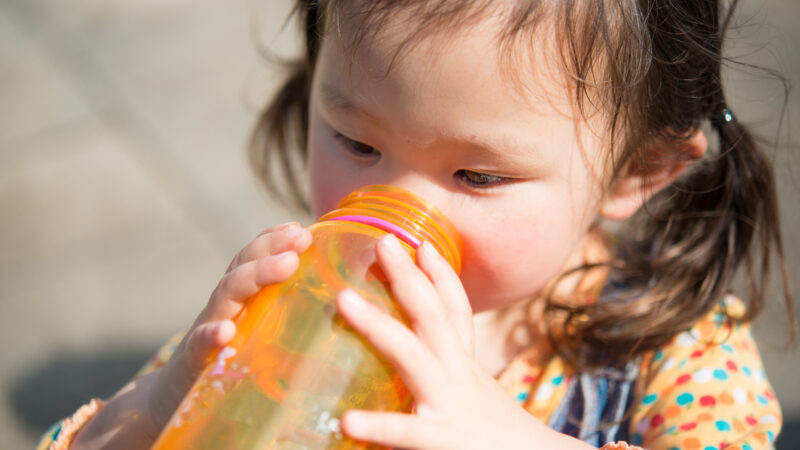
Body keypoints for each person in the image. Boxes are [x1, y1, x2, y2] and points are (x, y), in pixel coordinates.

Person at [40, 0, 795, 449]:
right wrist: (156, 408)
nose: (401, 210)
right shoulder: (282, 314)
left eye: (480, 176)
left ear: (637, 171)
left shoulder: (673, 348)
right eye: (357, 142)